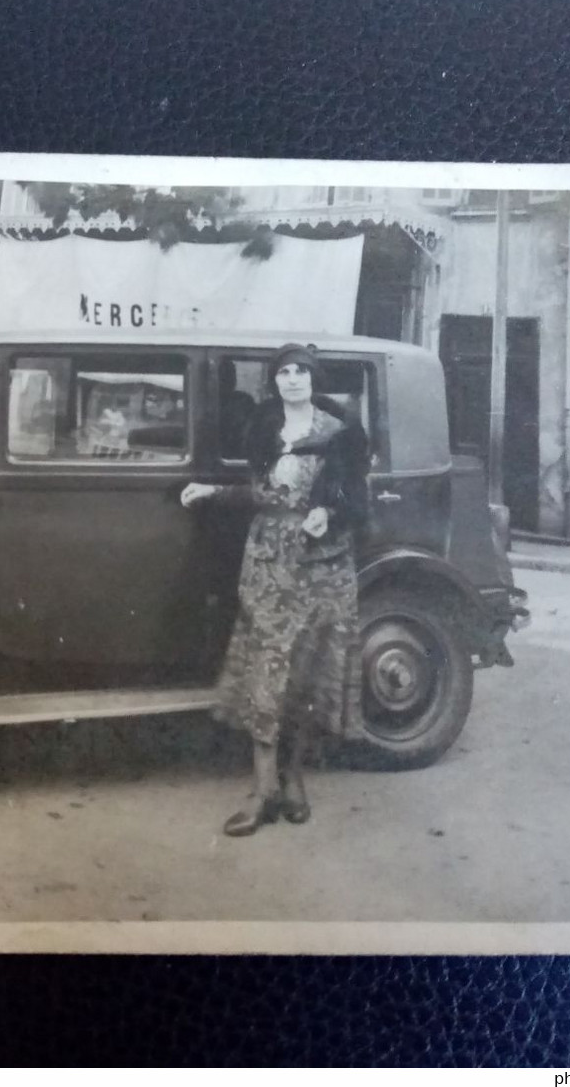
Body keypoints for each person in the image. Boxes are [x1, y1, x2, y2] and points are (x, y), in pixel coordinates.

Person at [181, 343, 369, 836]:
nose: (291, 380)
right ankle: (262, 790)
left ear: (313, 379)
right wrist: (213, 491)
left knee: (304, 672)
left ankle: (295, 780)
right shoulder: (263, 430)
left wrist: (329, 511)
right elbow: (261, 494)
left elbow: (357, 496)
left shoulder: (340, 434)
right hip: (269, 561)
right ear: (275, 382)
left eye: (300, 372)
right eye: (283, 373)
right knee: (266, 667)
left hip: (321, 566)